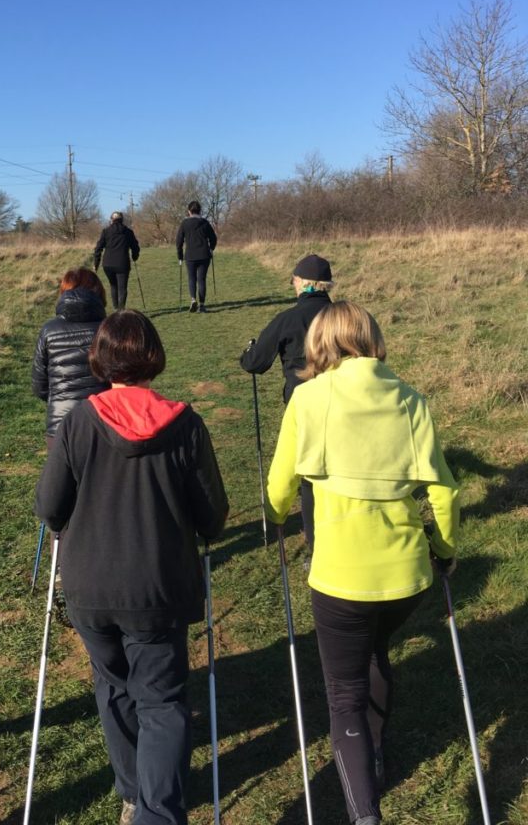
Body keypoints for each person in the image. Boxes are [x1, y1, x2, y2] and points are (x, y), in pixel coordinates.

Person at [265, 301, 459, 825]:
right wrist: (444, 551)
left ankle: (364, 812)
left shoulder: (306, 399)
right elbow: (443, 492)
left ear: (319, 345)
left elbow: (280, 485)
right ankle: (373, 752)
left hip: (340, 578)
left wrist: (275, 516)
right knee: (375, 650)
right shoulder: (413, 403)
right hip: (406, 576)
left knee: (343, 693)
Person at [35, 310, 229, 825]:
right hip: (158, 587)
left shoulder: (78, 421)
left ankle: (133, 794)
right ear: (153, 357)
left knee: (115, 685)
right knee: (162, 702)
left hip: (91, 587)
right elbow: (213, 517)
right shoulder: (185, 425)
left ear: (99, 360)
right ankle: (154, 811)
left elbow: (50, 505)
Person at [240, 253, 334, 549]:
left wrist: (248, 352)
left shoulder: (288, 319)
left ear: (302, 283)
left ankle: (318, 547)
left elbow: (255, 363)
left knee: (310, 478)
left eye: (294, 280)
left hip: (303, 404)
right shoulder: (344, 316)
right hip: (347, 398)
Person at [31, 267, 110, 445]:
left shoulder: (49, 330)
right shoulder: (110, 328)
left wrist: (60, 396)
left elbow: (39, 386)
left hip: (60, 428)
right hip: (105, 425)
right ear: (99, 293)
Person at [94, 212, 141, 311]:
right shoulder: (128, 232)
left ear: (111, 220)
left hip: (108, 264)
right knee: (122, 288)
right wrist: (134, 256)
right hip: (122, 263)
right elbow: (135, 247)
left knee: (113, 285)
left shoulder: (106, 231)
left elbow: (98, 248)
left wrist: (96, 263)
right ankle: (121, 310)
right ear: (122, 220)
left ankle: (116, 309)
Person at [175, 201, 217, 313]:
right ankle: (202, 305)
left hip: (190, 255)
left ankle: (193, 299)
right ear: (200, 211)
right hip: (204, 255)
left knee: (191, 278)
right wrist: (211, 248)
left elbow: (179, 241)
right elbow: (213, 238)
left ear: (189, 211)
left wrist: (180, 256)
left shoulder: (184, 223)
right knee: (201, 279)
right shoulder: (205, 223)